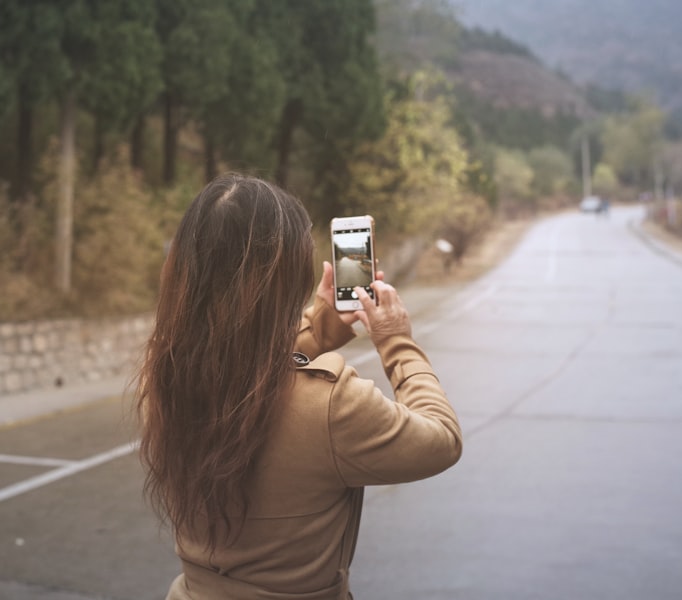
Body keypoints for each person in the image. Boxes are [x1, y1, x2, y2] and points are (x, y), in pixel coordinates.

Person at [136, 173, 462, 599]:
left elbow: (236, 359)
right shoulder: (329, 404)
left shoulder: (164, 375)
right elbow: (441, 439)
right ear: (286, 281)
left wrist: (322, 324)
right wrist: (396, 340)